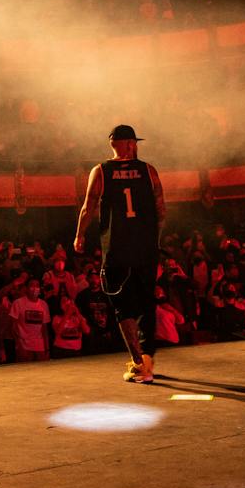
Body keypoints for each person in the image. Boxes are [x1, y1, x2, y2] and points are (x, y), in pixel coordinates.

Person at [73, 125, 165, 384]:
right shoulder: (149, 171)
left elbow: (88, 206)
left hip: (117, 250)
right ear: (131, 144)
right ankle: (147, 360)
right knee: (146, 303)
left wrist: (80, 235)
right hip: (145, 250)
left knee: (122, 305)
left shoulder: (100, 171)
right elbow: (161, 210)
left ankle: (138, 363)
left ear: (113, 144)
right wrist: (153, 241)